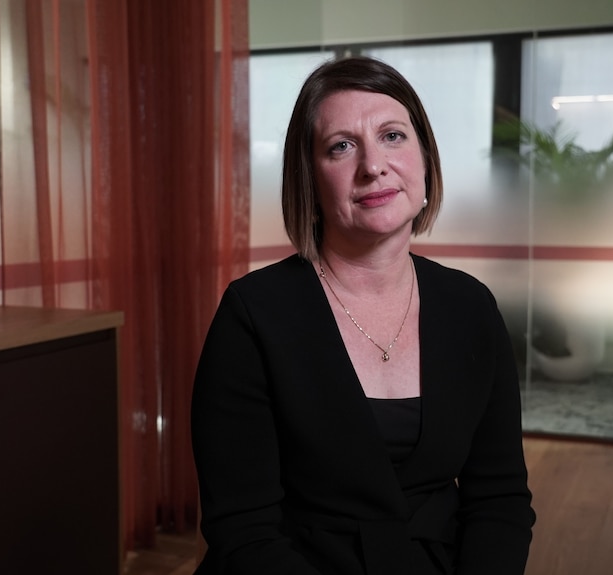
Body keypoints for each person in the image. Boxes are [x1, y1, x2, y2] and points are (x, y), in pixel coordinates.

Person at [191, 55, 535, 575]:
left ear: (425, 158)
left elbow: (500, 499)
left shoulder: (472, 308)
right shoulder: (254, 314)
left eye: (393, 136)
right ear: (310, 179)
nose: (373, 165)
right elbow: (243, 529)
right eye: (341, 146)